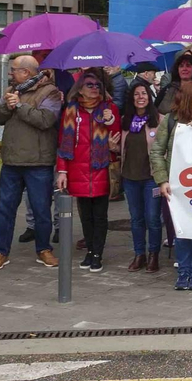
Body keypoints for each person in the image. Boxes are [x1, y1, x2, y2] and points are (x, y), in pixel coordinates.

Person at [0, 55, 63, 271]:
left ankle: (44, 249)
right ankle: (1, 251)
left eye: (13, 70)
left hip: (38, 162)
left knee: (41, 209)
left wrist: (19, 106)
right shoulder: (12, 91)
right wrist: (8, 105)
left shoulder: (50, 92)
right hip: (11, 162)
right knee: (4, 210)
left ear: (27, 73)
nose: (10, 73)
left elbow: (45, 120)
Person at [152, 81, 192, 290]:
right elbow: (156, 151)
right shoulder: (171, 121)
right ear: (186, 97)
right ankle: (183, 272)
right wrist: (162, 180)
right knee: (181, 231)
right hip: (178, 187)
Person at [56, 74, 122, 273]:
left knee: (100, 216)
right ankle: (90, 250)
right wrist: (62, 171)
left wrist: (111, 123)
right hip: (78, 169)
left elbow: (118, 139)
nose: (94, 88)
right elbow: (63, 143)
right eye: (89, 85)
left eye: (97, 85)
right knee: (85, 216)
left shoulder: (110, 109)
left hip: (101, 168)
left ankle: (97, 254)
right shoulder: (71, 110)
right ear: (80, 89)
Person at [119, 79, 165, 273]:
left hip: (151, 178)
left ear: (150, 96)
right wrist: (114, 146)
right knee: (136, 218)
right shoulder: (125, 120)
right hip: (130, 177)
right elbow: (121, 147)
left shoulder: (160, 120)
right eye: (136, 94)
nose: (140, 97)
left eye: (144, 93)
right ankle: (140, 254)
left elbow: (166, 147)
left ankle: (154, 254)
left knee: (153, 218)